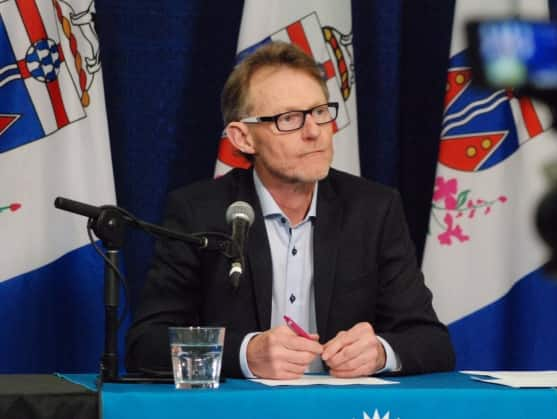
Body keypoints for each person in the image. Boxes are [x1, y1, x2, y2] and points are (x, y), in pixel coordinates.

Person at [125, 41, 455, 379]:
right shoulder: (198, 212)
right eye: (289, 119)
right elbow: (145, 346)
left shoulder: (373, 209)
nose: (314, 132)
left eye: (320, 112)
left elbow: (432, 342)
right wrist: (245, 354)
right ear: (243, 138)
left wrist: (380, 353)